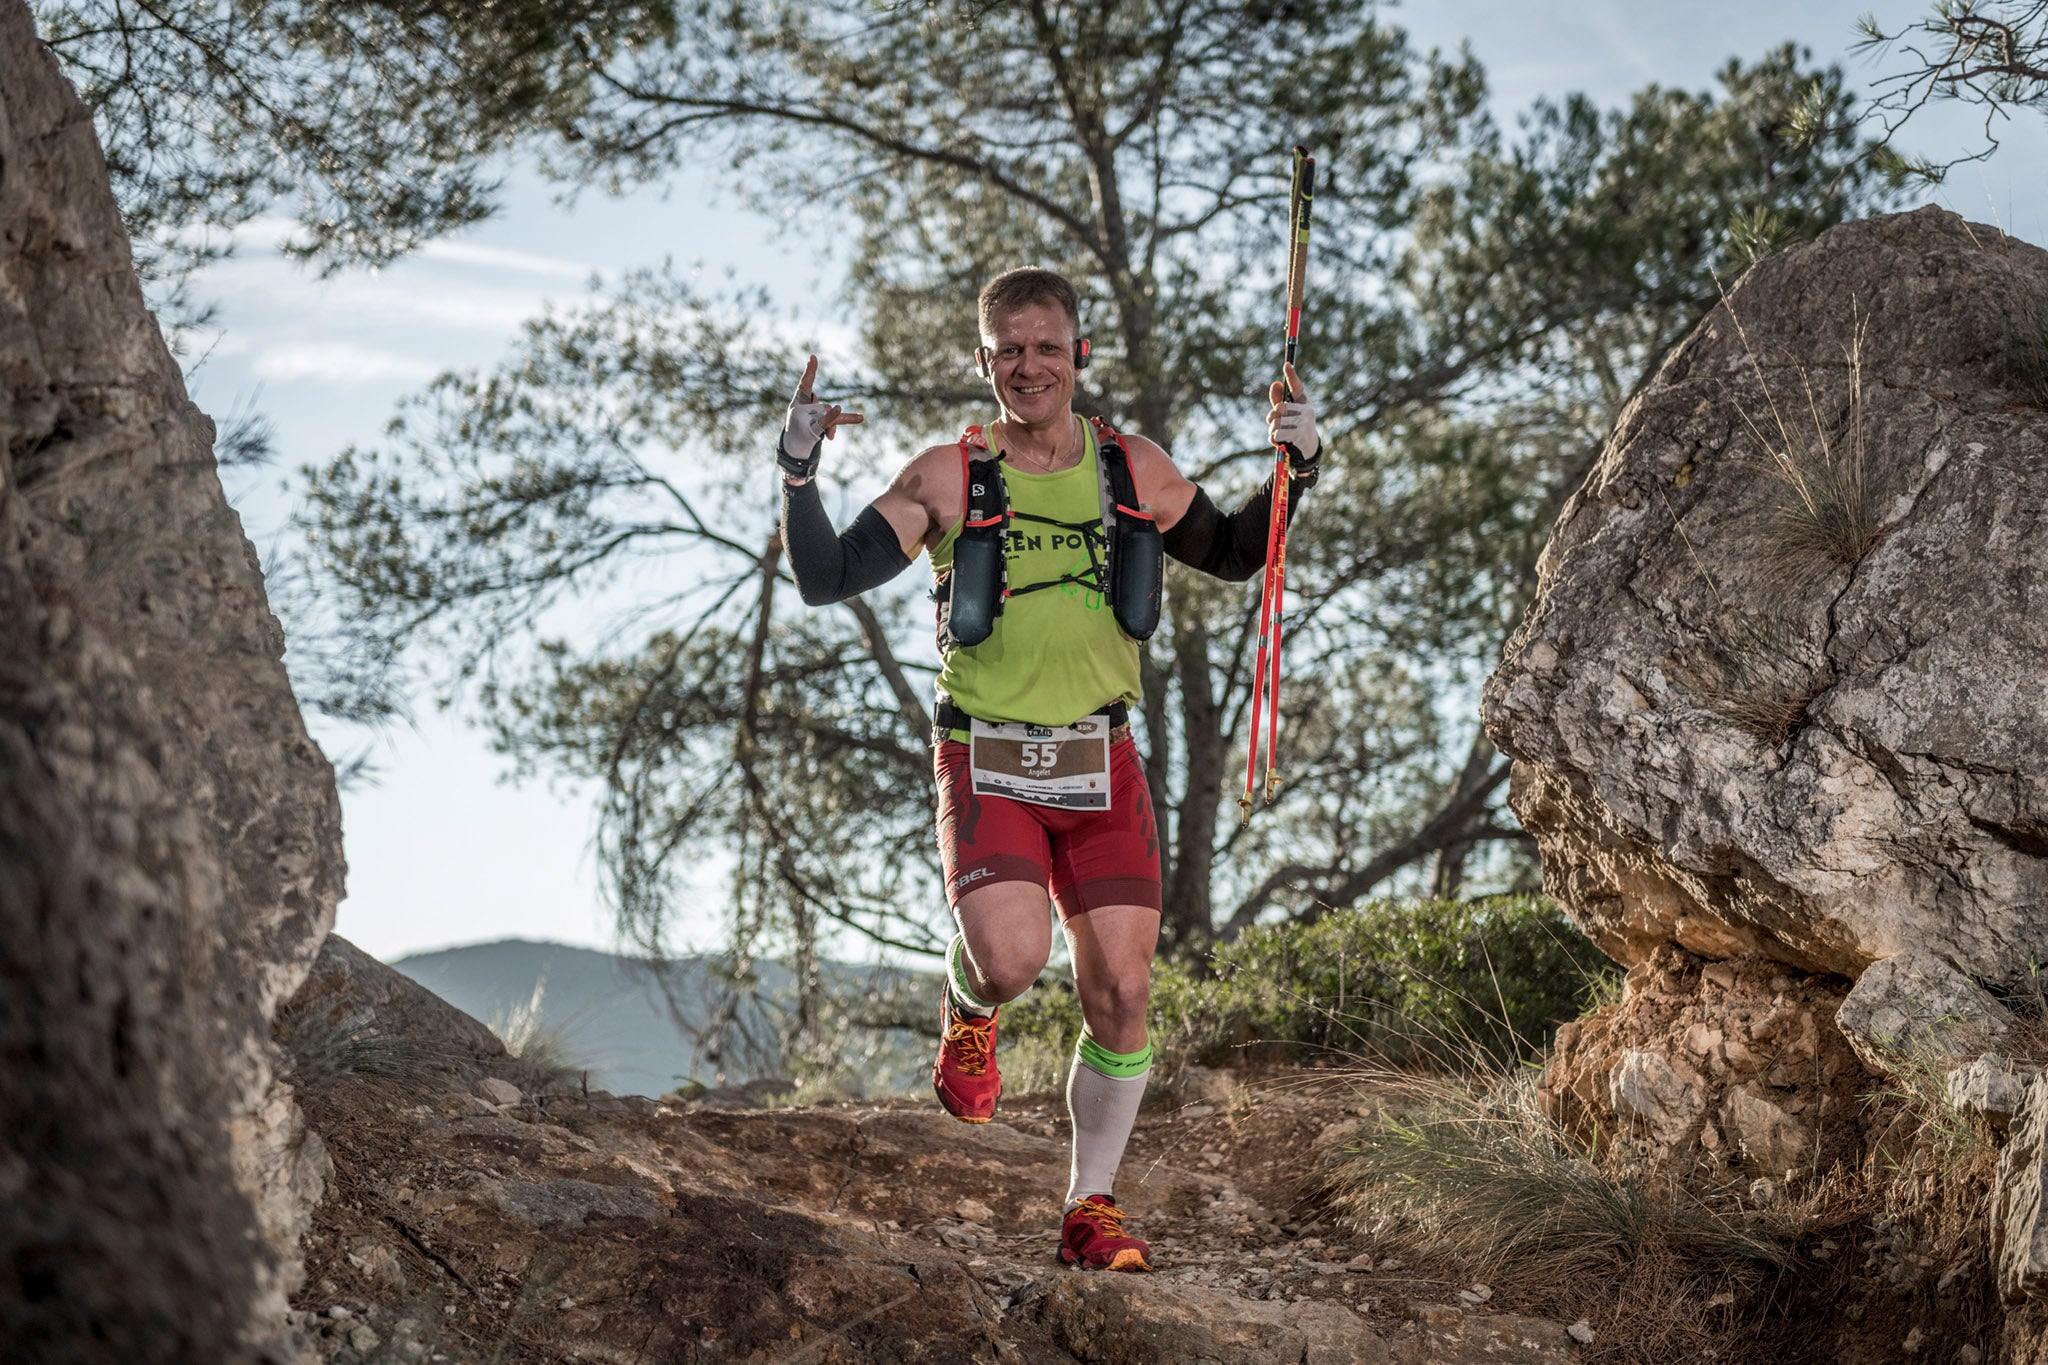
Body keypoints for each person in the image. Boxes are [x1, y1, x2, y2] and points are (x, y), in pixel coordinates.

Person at [777, 267, 1321, 1271]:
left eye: (1044, 346)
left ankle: (1090, 1207)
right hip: (985, 755)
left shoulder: (1133, 468)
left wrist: (1296, 466)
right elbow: (825, 578)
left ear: (1079, 354)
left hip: (1099, 756)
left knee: (1120, 988)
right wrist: (799, 471)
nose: (1027, 366)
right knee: (1014, 960)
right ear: (984, 363)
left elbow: (1239, 550)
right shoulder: (948, 474)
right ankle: (971, 1007)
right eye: (1006, 351)